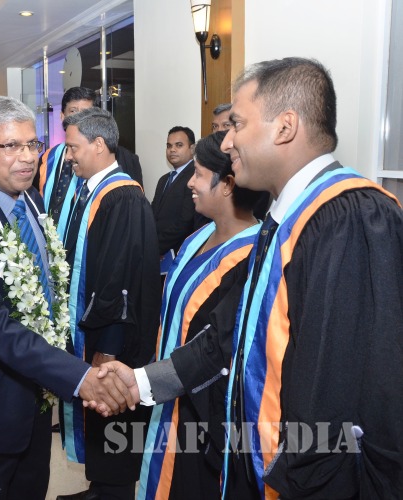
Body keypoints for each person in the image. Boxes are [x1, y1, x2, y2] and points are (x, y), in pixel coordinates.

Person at [98, 57, 403, 499]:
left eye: (237, 125)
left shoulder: (346, 217)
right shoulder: (284, 220)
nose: (227, 142)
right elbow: (229, 335)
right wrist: (142, 381)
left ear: (285, 127)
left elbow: (332, 395)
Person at [0, 95, 135, 500]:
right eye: (12, 146)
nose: (28, 158)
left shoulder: (31, 200)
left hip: (37, 396)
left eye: (32, 144)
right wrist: (78, 377)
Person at [135, 131, 261, 500]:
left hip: (204, 413)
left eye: (199, 174)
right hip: (168, 394)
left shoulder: (252, 257)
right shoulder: (196, 239)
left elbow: (218, 349)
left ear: (228, 185)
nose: (190, 183)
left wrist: (141, 382)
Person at [55, 107, 160, 500]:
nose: (68, 156)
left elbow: (121, 279)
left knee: (114, 410)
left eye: (73, 147)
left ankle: (113, 492)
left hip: (113, 337)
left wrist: (108, 347)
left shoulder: (123, 197)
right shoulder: (94, 191)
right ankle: (99, 487)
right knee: (100, 413)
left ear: (98, 144)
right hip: (97, 329)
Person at [35, 87, 144, 223]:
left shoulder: (124, 159)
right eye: (73, 111)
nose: (79, 118)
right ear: (62, 116)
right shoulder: (48, 157)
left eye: (86, 113)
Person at [151, 126, 207, 257]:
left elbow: (185, 222)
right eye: (169, 146)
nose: (172, 150)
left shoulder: (195, 177)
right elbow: (153, 214)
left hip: (180, 252)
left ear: (192, 149)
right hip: (157, 251)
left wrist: (155, 246)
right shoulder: (163, 180)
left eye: (179, 145)